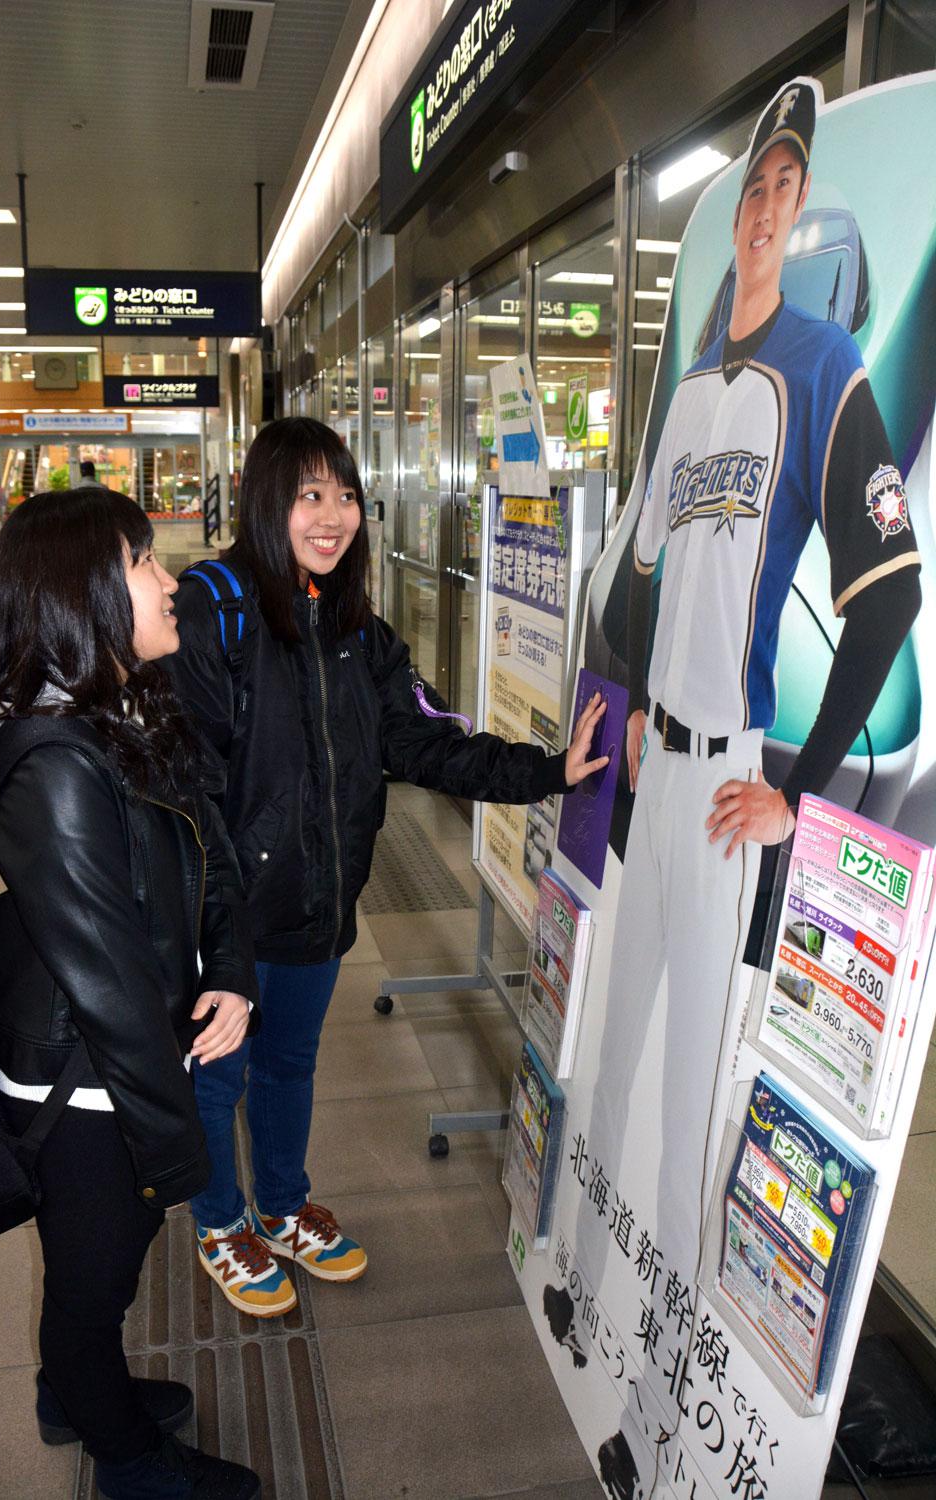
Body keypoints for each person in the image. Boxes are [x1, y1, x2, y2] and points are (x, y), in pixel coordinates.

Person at [586, 78, 922, 1499]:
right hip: (647, 766)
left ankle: (664, 1446)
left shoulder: (824, 356)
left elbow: (891, 595)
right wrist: (601, 710)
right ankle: (589, 1333)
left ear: (803, 206)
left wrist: (812, 795)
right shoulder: (689, 384)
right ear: (737, 210)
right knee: (608, 1079)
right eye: (758, 182)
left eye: (791, 181)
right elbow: (636, 587)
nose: (771, 201)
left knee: (680, 1132)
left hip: (728, 789)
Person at [165, 416, 608, 1317]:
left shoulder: (359, 633)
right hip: (226, 914)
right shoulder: (214, 607)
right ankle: (220, 1223)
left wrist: (546, 771)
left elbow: (427, 744)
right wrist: (218, 932)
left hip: (320, 907)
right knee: (220, 1076)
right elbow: (188, 785)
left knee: (289, 1063)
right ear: (265, 501)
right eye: (308, 496)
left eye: (346, 498)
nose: (332, 518)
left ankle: (281, 1207)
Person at [0, 489, 263, 1500]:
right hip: (84, 1088)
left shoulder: (121, 709)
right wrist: (174, 1145)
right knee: (95, 1280)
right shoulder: (57, 763)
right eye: (144, 562)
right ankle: (122, 1453)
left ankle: (70, 1394)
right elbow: (112, 985)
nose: (170, 581)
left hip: (117, 1061)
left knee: (99, 1271)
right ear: (84, 594)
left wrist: (228, 970)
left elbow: (200, 854)